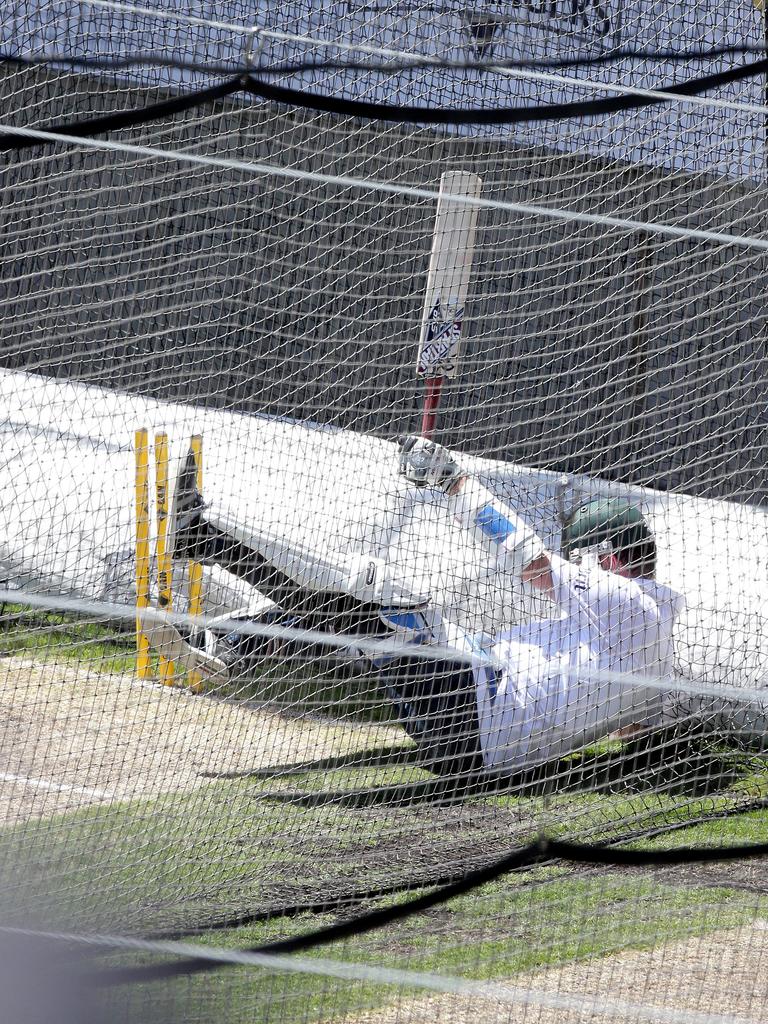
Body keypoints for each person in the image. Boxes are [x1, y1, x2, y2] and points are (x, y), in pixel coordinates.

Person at [142, 436, 684, 777]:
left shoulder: (625, 602)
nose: (578, 568)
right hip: (471, 729)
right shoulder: (656, 655)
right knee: (353, 614)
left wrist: (452, 480)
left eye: (585, 559)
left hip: (474, 709)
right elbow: (632, 736)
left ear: (607, 558)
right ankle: (222, 636)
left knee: (380, 589)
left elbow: (529, 558)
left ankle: (207, 551)